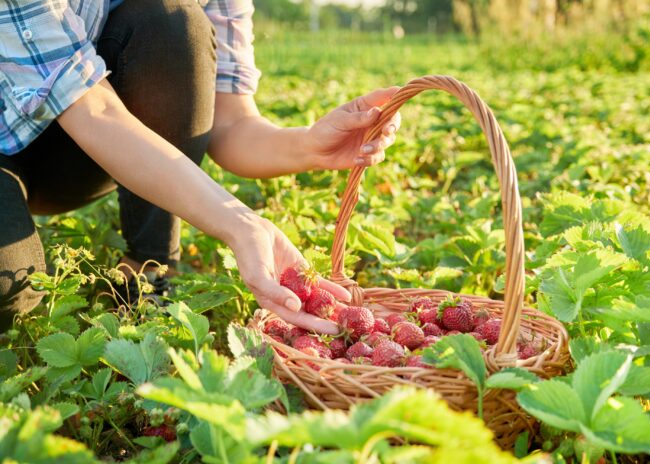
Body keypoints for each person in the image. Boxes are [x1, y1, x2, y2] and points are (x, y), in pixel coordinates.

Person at [0, 0, 401, 334]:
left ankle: (146, 275)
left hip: (86, 150)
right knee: (11, 290)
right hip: (54, 125)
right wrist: (242, 224)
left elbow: (230, 120)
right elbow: (92, 109)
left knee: (173, 23)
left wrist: (309, 144)